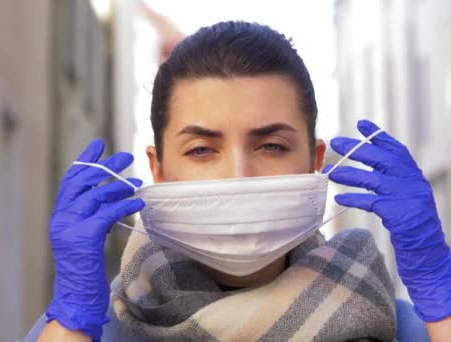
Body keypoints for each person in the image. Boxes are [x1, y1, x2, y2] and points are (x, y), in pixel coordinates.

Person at [30, 21, 451, 341]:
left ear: (314, 163)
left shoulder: (407, 329)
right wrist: (72, 320)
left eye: (271, 146)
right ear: (158, 171)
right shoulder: (88, 332)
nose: (238, 175)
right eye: (201, 150)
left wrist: (439, 295)